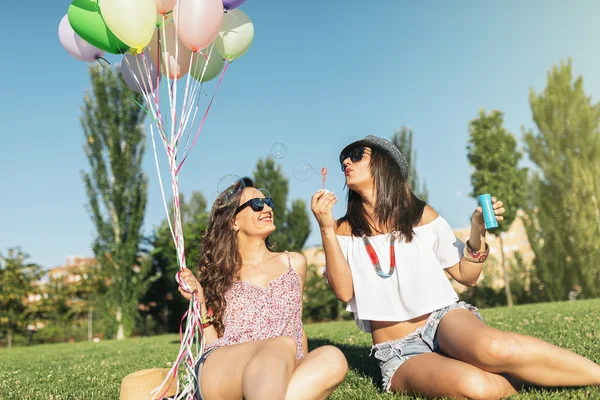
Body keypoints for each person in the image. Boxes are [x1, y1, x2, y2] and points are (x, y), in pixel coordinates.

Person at [311, 135, 600, 399]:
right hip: (398, 351)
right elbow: (343, 290)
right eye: (343, 160)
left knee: (494, 349)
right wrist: (325, 227)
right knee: (477, 387)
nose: (346, 162)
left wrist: (477, 230)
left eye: (357, 154)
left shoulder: (421, 216)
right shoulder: (341, 230)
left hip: (443, 321)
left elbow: (467, 275)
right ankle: (537, 377)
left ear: (385, 164)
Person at [177, 177, 348, 400]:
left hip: (281, 369)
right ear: (233, 221)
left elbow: (296, 327)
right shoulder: (220, 273)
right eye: (257, 204)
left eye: (268, 202)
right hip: (225, 370)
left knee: (332, 357)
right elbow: (213, 340)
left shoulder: (294, 264)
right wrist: (199, 305)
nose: (266, 207)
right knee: (280, 345)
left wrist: (302, 361)